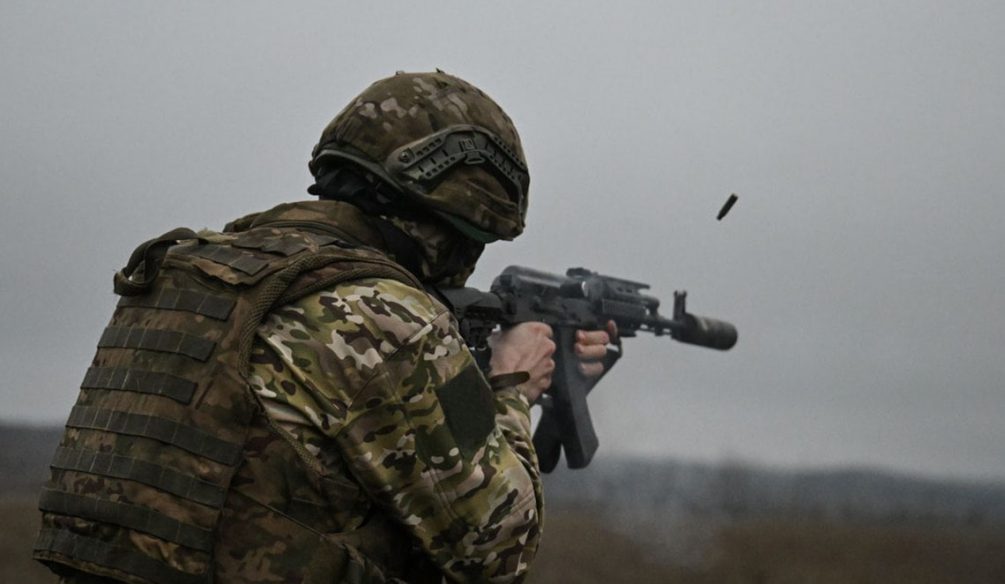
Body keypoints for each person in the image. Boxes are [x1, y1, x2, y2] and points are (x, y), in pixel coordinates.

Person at [33, 71, 614, 584]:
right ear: (454, 220)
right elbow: (500, 549)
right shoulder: (384, 315)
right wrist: (512, 384)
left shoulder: (193, 271)